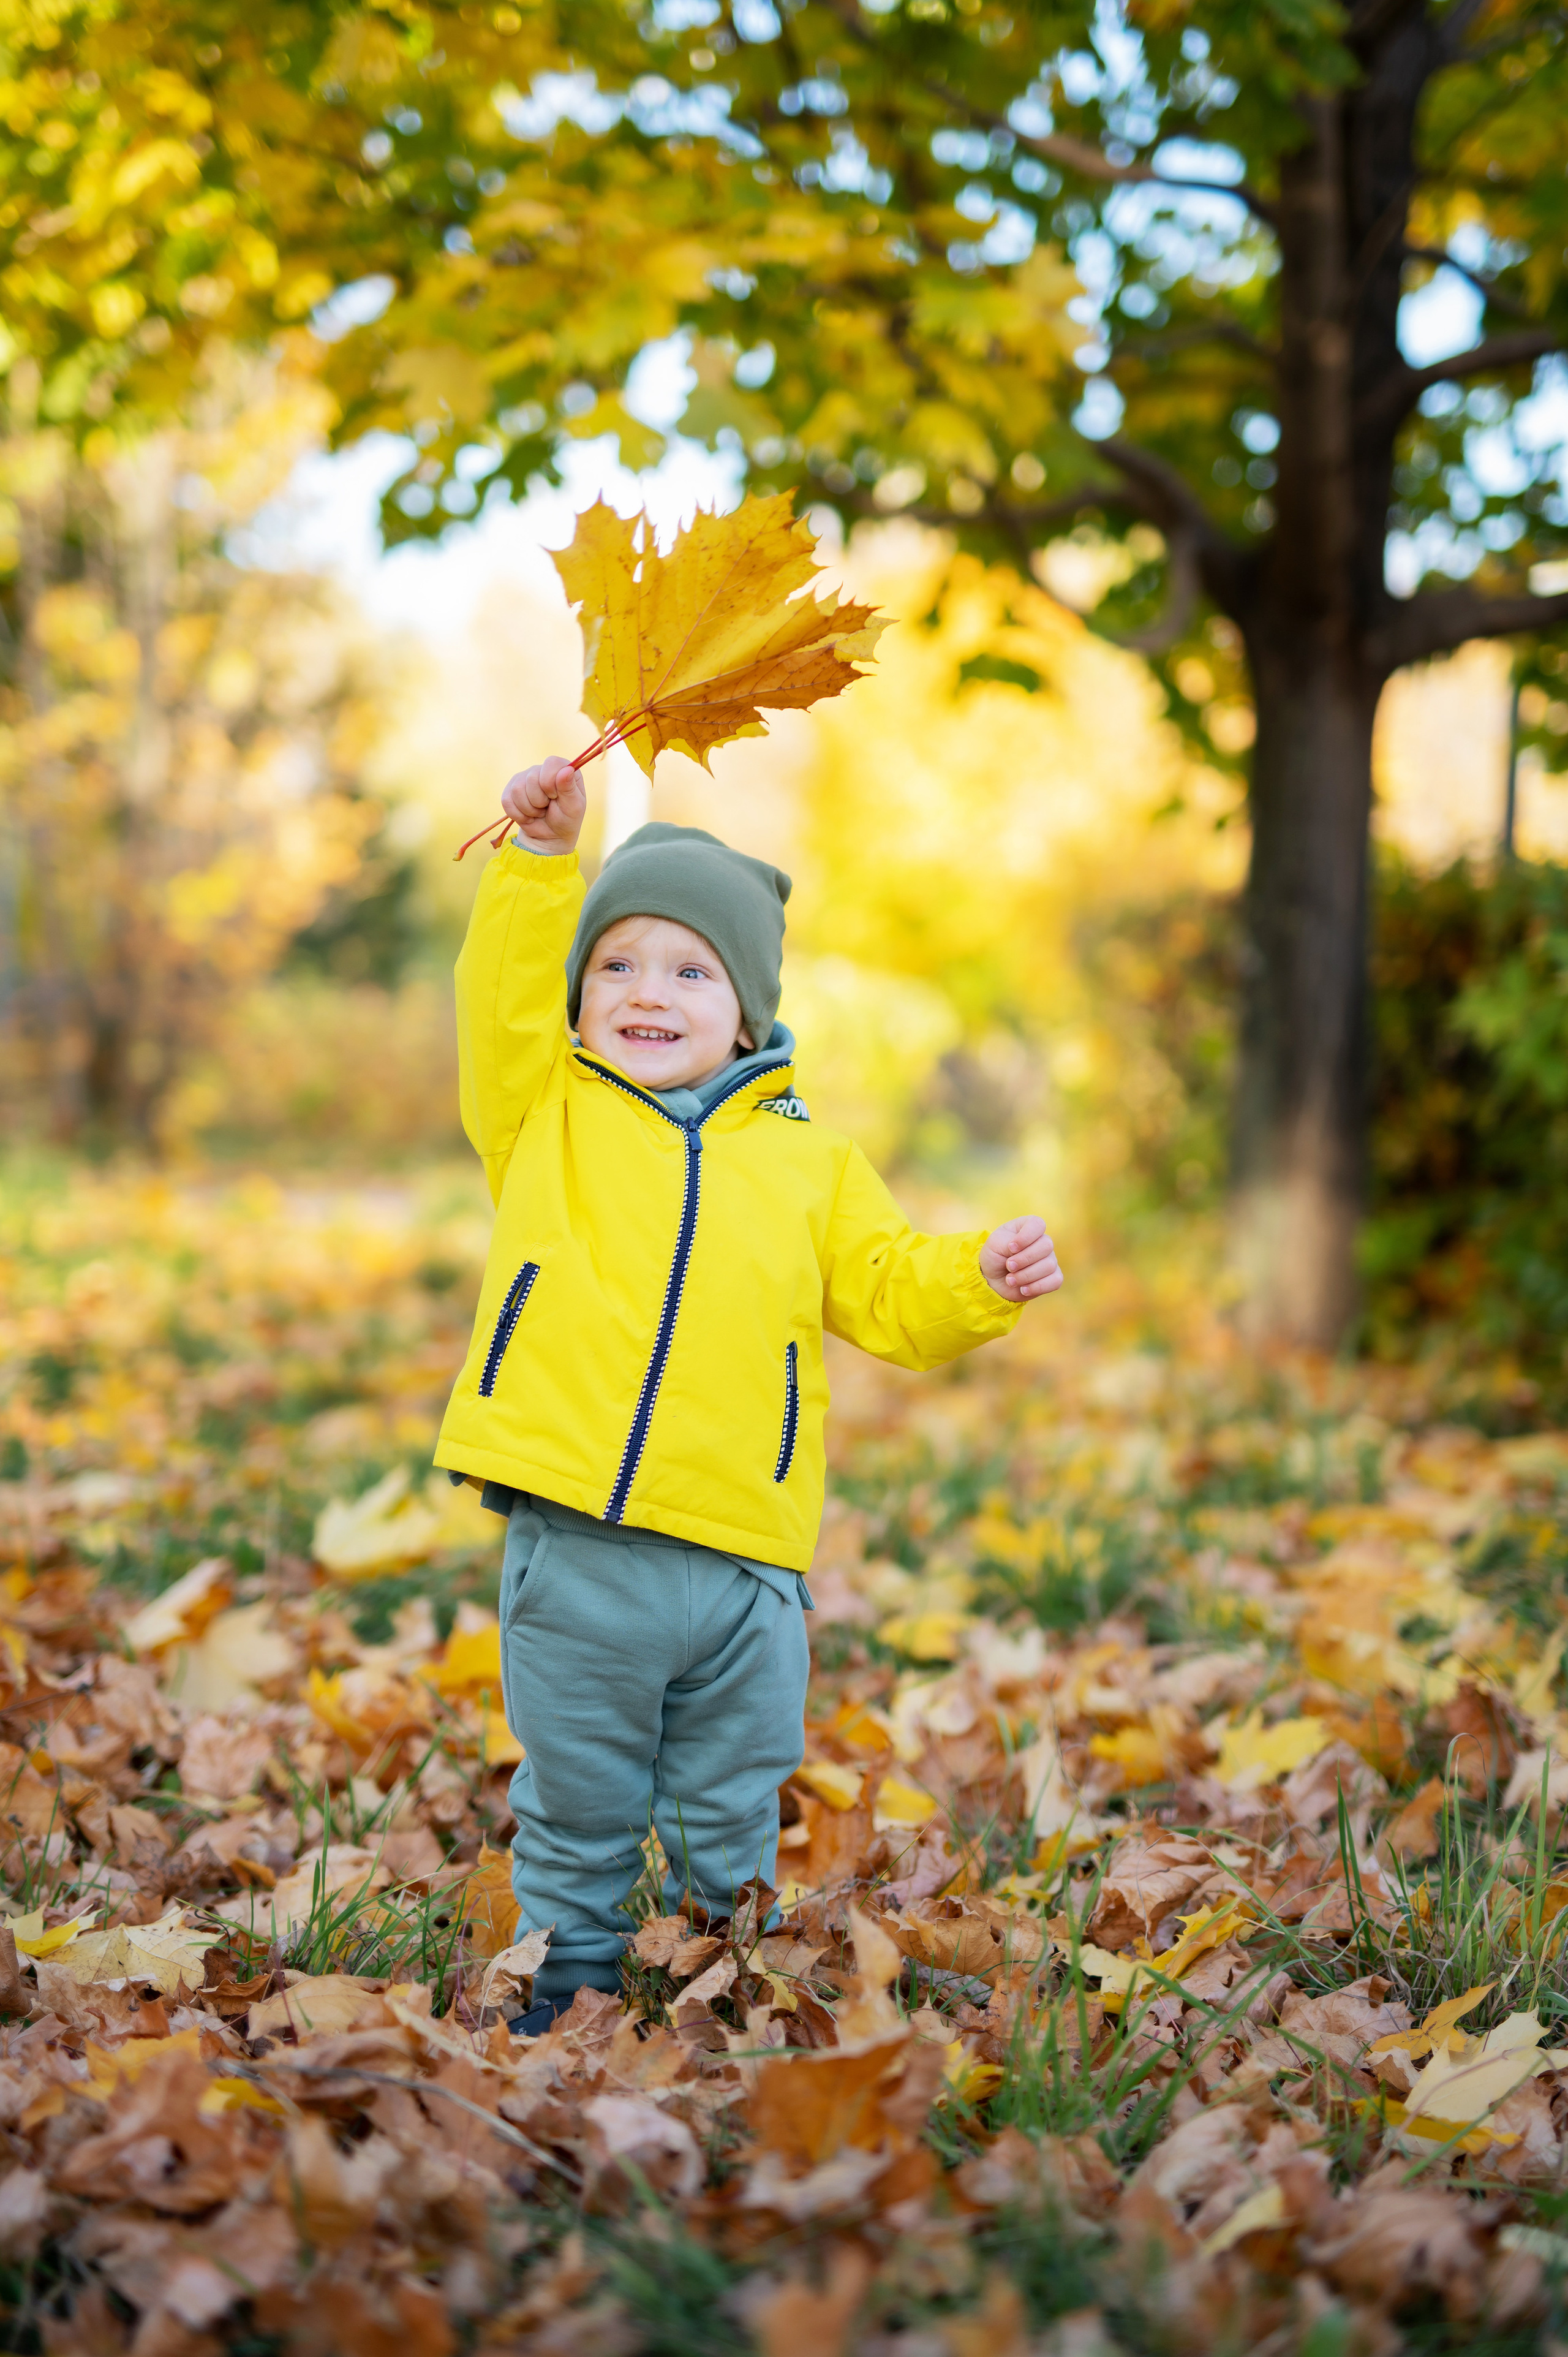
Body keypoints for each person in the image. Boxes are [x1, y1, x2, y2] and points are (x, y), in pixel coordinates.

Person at [435, 754, 1064, 2033]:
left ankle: (732, 1985)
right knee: (578, 1807)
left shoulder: (809, 1164)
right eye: (614, 964)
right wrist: (544, 866)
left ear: (746, 1011)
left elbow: (889, 1286)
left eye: (687, 969)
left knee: (730, 1810)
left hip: (741, 1571)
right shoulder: (541, 1114)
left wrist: (977, 1275)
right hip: (577, 1550)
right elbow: (501, 1000)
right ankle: (562, 2002)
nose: (645, 992)